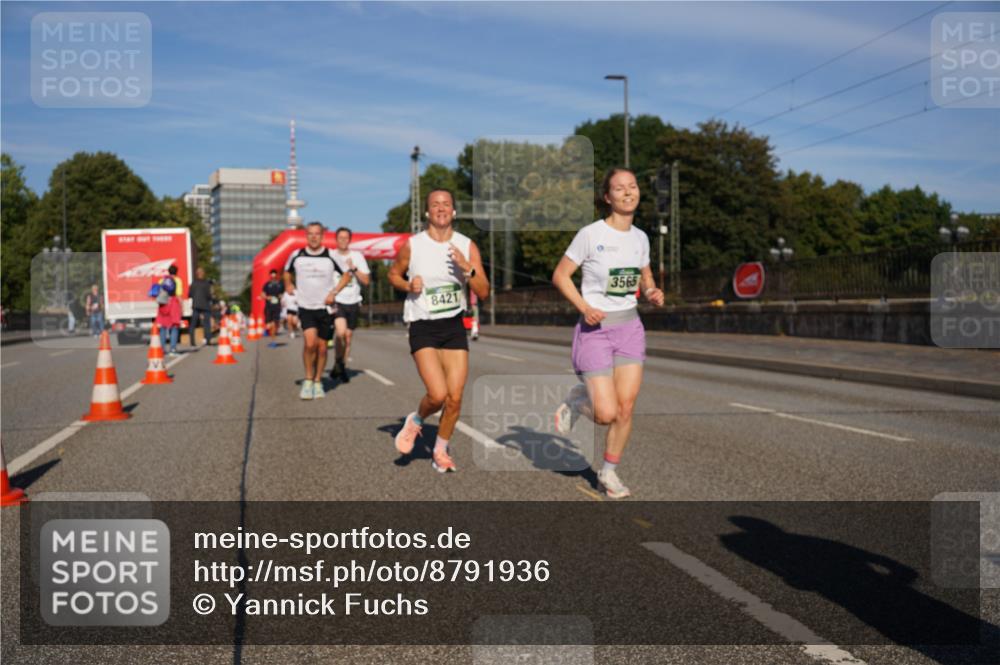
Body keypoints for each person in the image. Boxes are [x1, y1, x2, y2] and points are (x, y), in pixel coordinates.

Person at [551, 167, 665, 499]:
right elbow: (561, 275)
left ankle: (609, 473)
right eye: (619, 188)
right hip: (595, 329)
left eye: (633, 186)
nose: (628, 192)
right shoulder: (591, 234)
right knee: (605, 414)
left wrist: (653, 291)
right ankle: (576, 401)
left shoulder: (641, 238)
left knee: (626, 408)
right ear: (607, 197)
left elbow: (644, 277)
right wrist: (583, 306)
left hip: (629, 327)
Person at [388, 189, 489, 473]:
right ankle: (416, 420)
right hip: (423, 324)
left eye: (446, 204)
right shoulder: (413, 245)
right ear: (427, 212)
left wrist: (468, 270)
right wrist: (408, 285)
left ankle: (440, 450)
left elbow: (484, 292)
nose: (441, 209)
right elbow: (393, 273)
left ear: (454, 211)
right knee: (437, 394)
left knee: (455, 398)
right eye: (435, 205)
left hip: (453, 325)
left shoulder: (466, 245)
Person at [284, 222, 352, 400]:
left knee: (322, 349)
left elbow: (347, 275)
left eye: (317, 234)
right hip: (306, 306)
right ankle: (307, 379)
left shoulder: (331, 256)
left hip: (326, 308)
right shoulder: (297, 255)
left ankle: (317, 380)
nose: (314, 237)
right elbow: (286, 271)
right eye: (310, 234)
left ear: (322, 236)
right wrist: (288, 283)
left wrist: (334, 292)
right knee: (309, 344)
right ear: (306, 236)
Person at [329, 226, 371, 382]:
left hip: (353, 301)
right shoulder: (331, 256)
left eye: (346, 238)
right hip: (337, 300)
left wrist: (354, 268)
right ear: (336, 239)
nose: (343, 241)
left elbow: (366, 281)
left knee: (348, 336)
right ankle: (340, 364)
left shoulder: (357, 256)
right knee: (340, 332)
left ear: (350, 240)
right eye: (340, 238)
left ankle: (341, 365)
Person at [155, 264, 184, 357]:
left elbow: (158, 293)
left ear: (168, 271)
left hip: (163, 305)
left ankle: (162, 349)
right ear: (176, 272)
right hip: (173, 304)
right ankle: (172, 349)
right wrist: (182, 307)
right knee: (174, 327)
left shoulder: (161, 280)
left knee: (163, 327)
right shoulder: (177, 280)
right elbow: (179, 295)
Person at [188, 267, 214, 346]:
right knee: (207, 324)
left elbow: (190, 294)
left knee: (193, 323)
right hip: (205, 305)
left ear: (197, 274)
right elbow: (208, 295)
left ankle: (192, 341)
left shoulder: (193, 283)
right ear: (203, 274)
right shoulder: (206, 283)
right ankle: (208, 340)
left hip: (196, 304)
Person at [261, 269, 285, 348]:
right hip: (268, 307)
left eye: (275, 274)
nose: (273, 276)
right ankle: (268, 331)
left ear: (276, 275)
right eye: (272, 274)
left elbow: (283, 294)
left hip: (277, 307)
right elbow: (262, 295)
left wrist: (281, 297)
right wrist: (268, 297)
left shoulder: (280, 284)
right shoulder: (267, 285)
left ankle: (273, 341)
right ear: (270, 276)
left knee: (275, 325)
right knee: (269, 325)